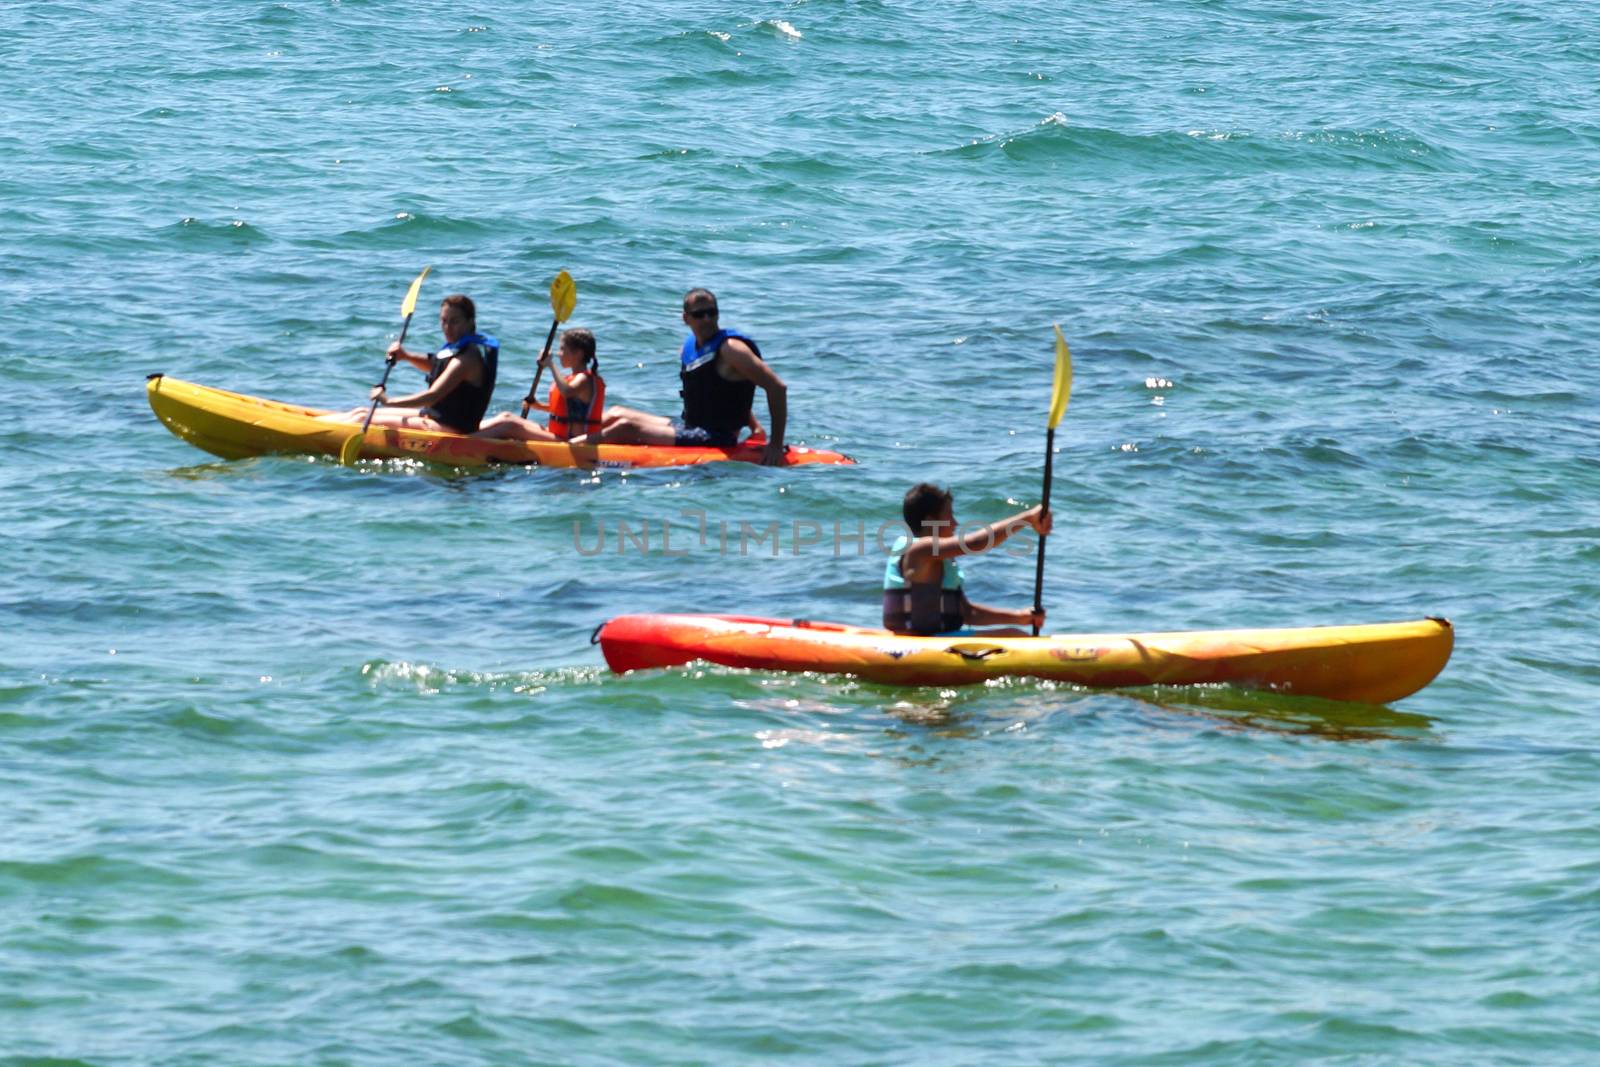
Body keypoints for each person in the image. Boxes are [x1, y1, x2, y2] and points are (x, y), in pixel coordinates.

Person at [574, 288, 787, 465]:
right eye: (699, 314)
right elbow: (723, 391)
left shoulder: (731, 349)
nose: (707, 319)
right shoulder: (691, 347)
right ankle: (567, 434)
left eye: (712, 312)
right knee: (616, 413)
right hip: (691, 425)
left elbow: (777, 387)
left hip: (717, 437)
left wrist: (775, 444)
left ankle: (570, 449)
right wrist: (755, 427)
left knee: (626, 428)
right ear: (686, 319)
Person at [883, 483, 1052, 637]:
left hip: (937, 640)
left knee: (1016, 633)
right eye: (949, 515)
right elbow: (976, 543)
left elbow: (968, 613)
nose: (955, 523)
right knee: (1017, 638)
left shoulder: (937, 557)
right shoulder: (920, 550)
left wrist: (1020, 617)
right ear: (930, 521)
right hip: (920, 643)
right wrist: (1027, 519)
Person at [322, 294, 498, 434]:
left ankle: (313, 433)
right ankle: (311, 424)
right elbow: (436, 366)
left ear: (470, 322)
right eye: (444, 321)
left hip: (449, 430)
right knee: (360, 412)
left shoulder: (467, 359)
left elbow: (432, 396)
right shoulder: (457, 349)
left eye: (454, 321)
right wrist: (405, 356)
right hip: (435, 416)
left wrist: (388, 401)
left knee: (361, 419)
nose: (447, 327)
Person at [475, 327, 604, 443]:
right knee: (506, 416)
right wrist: (539, 406)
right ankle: (466, 431)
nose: (559, 353)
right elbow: (571, 410)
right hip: (556, 435)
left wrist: (550, 364)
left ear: (578, 353)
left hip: (570, 442)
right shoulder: (573, 378)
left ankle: (467, 441)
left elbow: (567, 391)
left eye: (562, 349)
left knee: (510, 426)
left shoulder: (584, 379)